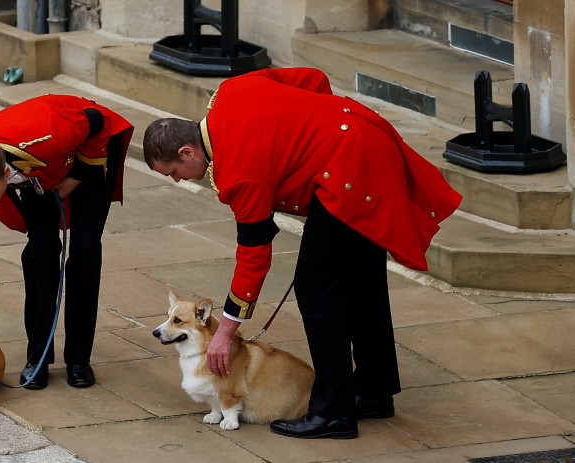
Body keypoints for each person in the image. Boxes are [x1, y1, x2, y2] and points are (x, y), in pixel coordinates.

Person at [142, 67, 462, 439]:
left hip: (348, 173)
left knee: (317, 291)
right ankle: (373, 391)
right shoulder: (230, 91)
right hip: (364, 137)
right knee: (362, 280)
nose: (179, 180)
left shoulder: (237, 173)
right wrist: (320, 128)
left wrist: (225, 332)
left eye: (175, 172)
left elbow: (254, 256)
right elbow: (312, 79)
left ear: (187, 150)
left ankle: (333, 412)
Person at [0, 94, 133, 390]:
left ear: (5, 173)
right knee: (40, 251)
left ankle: (79, 360)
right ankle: (38, 359)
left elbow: (98, 122)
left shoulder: (48, 134)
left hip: (87, 153)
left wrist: (76, 177)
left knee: (85, 250)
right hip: (39, 174)